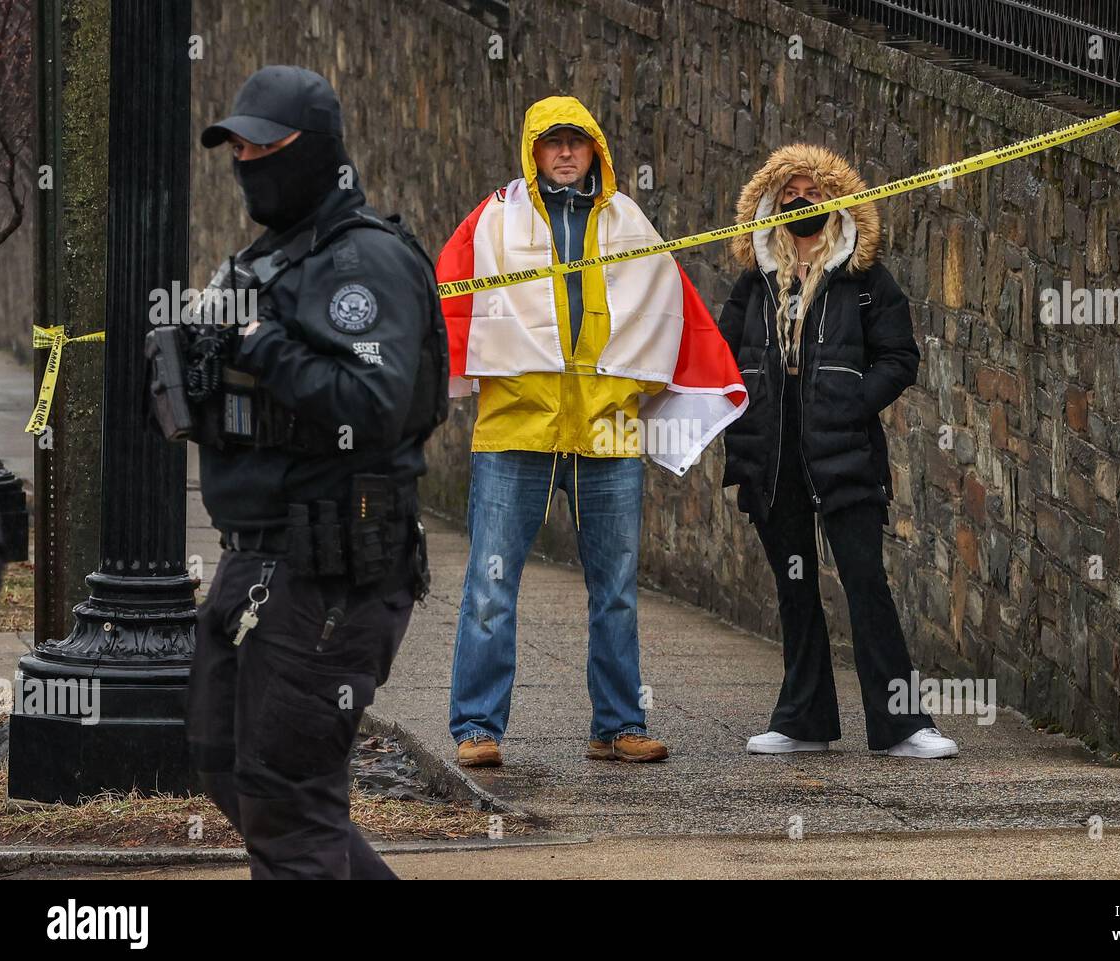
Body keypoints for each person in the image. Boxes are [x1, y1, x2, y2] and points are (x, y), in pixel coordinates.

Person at [180, 65, 448, 878]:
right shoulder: (271, 262)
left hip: (331, 565)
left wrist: (260, 345)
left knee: (288, 799)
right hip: (257, 555)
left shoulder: (363, 260)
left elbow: (370, 402)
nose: (247, 163)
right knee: (225, 757)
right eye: (237, 148)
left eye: (265, 146)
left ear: (317, 151)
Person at [436, 96, 745, 769]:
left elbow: (672, 311)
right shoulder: (494, 217)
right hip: (517, 427)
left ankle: (618, 723)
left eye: (578, 142)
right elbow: (449, 296)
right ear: (534, 151)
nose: (567, 153)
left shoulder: (630, 221)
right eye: (554, 143)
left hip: (607, 431)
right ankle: (476, 726)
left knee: (617, 588)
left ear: (596, 151)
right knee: (492, 584)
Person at [719, 144, 957, 759]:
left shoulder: (864, 278)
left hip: (844, 451)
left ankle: (903, 725)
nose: (801, 204)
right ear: (772, 205)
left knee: (864, 580)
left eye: (813, 195)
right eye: (790, 195)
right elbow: (721, 357)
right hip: (771, 454)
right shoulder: (756, 282)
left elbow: (899, 358)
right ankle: (803, 720)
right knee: (794, 587)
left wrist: (849, 402)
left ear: (836, 203)